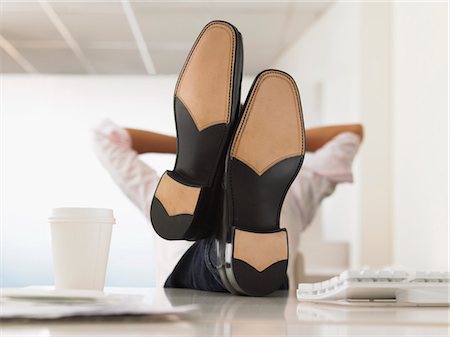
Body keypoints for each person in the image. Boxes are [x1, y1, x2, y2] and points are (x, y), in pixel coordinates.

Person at [92, 119, 363, 292]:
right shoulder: (296, 188)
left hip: (186, 313)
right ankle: (244, 235)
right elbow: (350, 134)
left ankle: (234, 247)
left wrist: (201, 147)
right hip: (266, 307)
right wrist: (264, 148)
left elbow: (105, 138)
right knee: (240, 269)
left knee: (212, 264)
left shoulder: (162, 196)